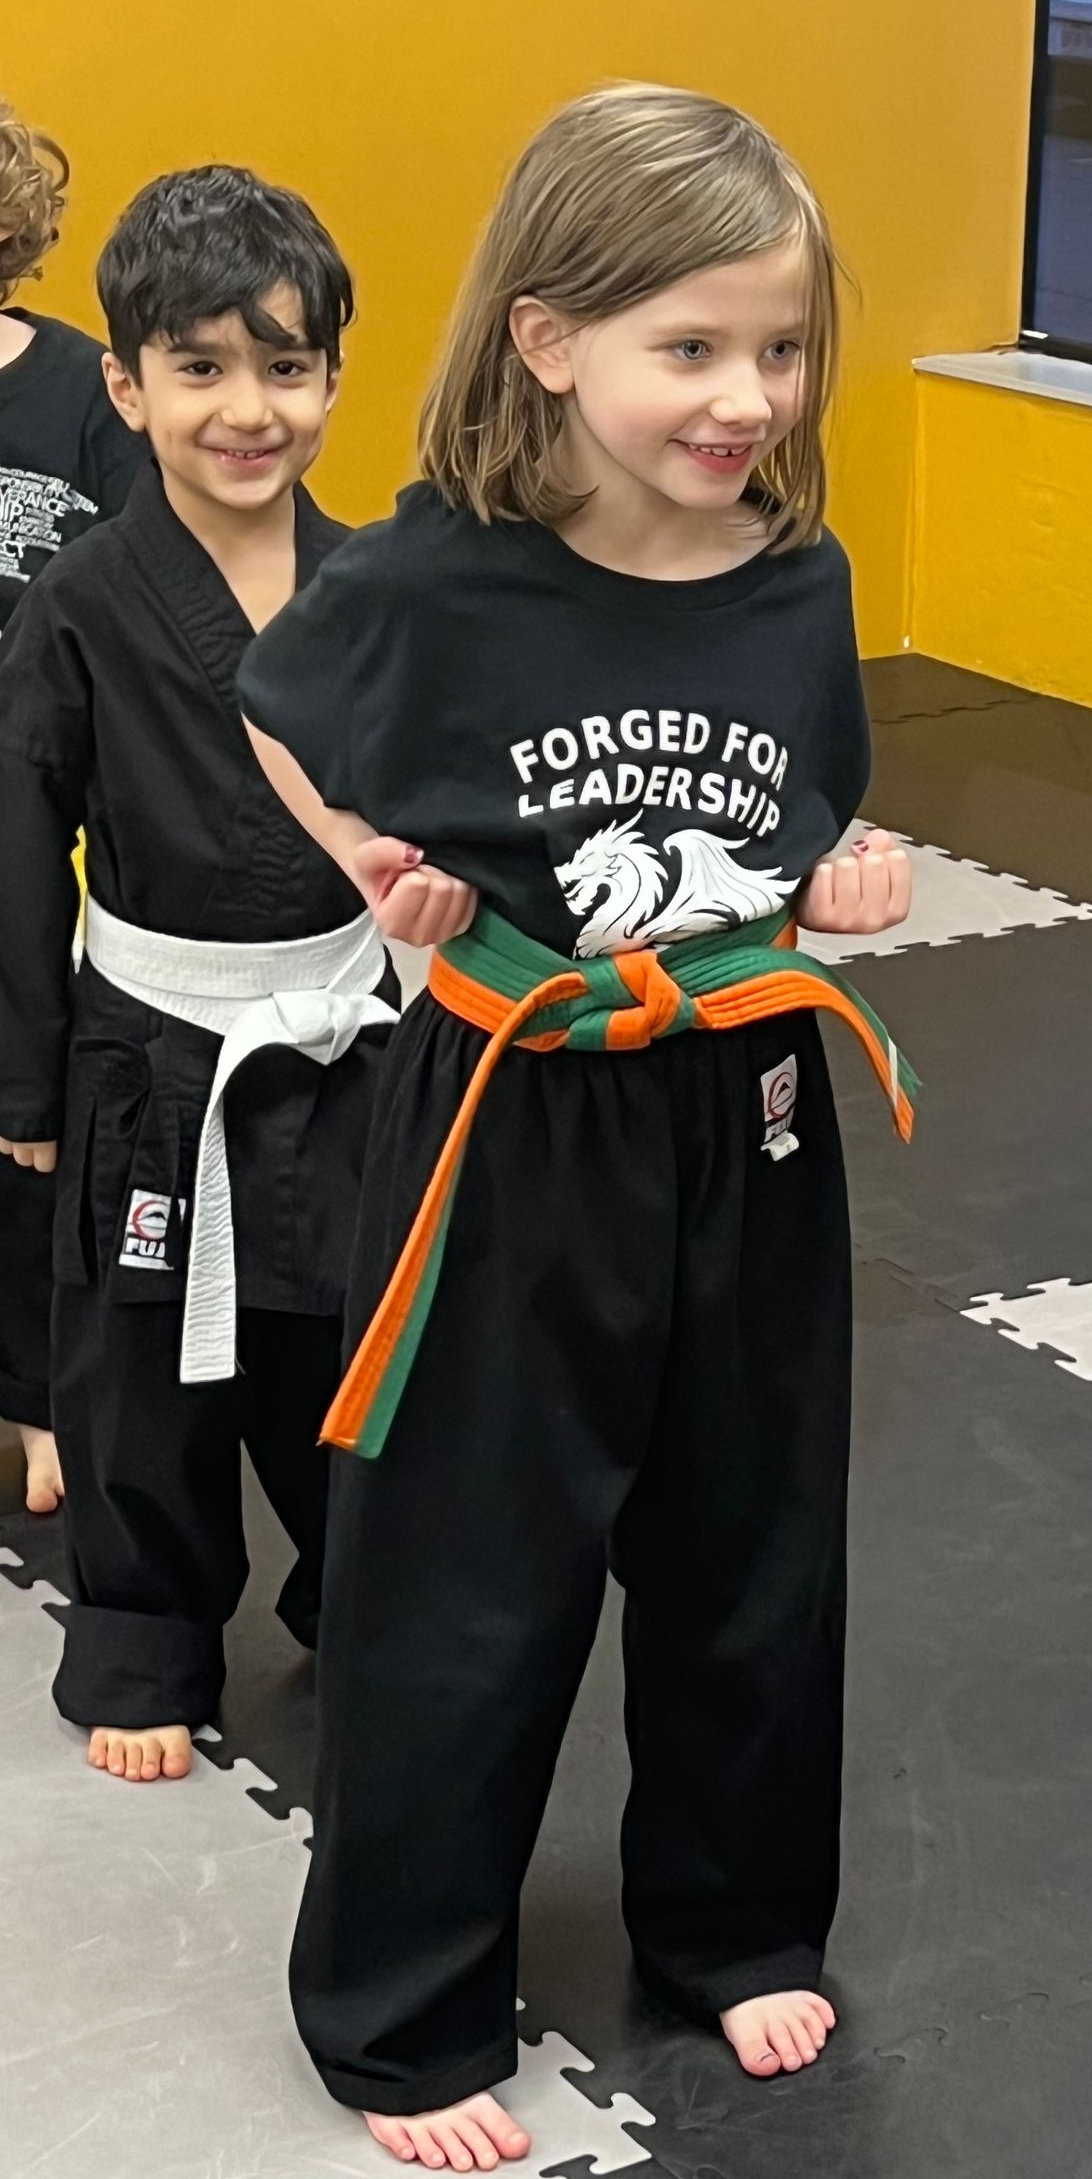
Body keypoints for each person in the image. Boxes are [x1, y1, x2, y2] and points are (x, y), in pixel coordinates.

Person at [241, 83, 914, 2175]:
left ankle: (726, 1920)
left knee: (750, 1542)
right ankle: (401, 2008)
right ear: (548, 340)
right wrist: (374, 862)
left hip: (750, 1115)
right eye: (689, 346)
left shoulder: (791, 574)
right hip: (510, 1128)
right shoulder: (447, 570)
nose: (745, 396)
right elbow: (280, 707)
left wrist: (848, 874)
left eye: (776, 348)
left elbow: (791, 829)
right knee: (464, 1573)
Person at [0, 165, 397, 1788]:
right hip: (148, 1043)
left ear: (330, 379)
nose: (250, 410)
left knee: (353, 1344)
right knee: (141, 1362)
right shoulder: (82, 598)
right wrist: (22, 1085)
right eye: (203, 368)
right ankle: (145, 1632)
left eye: (287, 367)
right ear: (126, 384)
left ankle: (359, 1595)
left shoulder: (378, 584)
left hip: (350, 1029)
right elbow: (18, 831)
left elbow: (447, 814)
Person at [0, 96, 147, 1517]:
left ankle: (43, 1393)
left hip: (37, 808)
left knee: (31, 1109)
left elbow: (153, 567)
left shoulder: (81, 391)